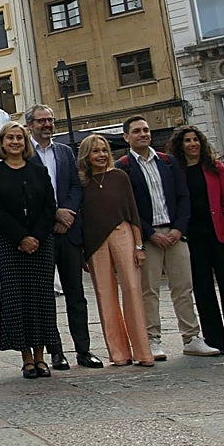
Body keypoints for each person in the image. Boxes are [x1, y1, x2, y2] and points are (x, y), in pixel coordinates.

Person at [116, 115, 221, 359]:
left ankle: (192, 337)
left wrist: (178, 229)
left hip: (174, 233)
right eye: (137, 131)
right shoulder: (124, 167)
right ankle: (152, 339)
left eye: (146, 130)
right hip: (148, 236)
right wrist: (150, 234)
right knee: (148, 290)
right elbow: (127, 206)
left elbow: (183, 197)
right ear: (127, 137)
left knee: (183, 287)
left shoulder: (168, 162)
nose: (143, 134)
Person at [26, 104, 102, 370]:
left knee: (76, 294)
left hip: (69, 232)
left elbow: (74, 186)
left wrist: (66, 214)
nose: (47, 125)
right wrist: (54, 215)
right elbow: (29, 195)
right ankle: (56, 351)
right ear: (30, 125)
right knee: (45, 296)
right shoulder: (24, 155)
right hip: (42, 234)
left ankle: (84, 349)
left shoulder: (65, 152)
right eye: (41, 121)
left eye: (50, 120)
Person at [166, 125, 224, 355]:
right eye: (187, 141)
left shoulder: (215, 167)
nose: (193, 144)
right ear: (180, 146)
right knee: (203, 289)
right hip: (193, 238)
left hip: (219, 234)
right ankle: (214, 340)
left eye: (196, 139)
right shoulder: (177, 171)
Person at [0, 122, 59, 379]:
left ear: (25, 143)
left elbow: (50, 207)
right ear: (2, 143)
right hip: (9, 243)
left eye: (19, 138)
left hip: (41, 242)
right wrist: (21, 237)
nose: (15, 142)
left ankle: (41, 357)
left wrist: (35, 236)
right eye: (10, 138)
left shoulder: (40, 171)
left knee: (41, 297)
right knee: (18, 297)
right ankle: (26, 357)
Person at [77, 134, 153, 366]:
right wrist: (82, 252)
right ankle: (118, 353)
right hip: (94, 241)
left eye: (103, 150)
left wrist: (139, 246)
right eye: (95, 151)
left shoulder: (120, 176)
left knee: (132, 289)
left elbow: (133, 212)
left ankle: (143, 352)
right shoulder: (81, 183)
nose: (101, 155)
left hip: (123, 233)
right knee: (104, 294)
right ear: (86, 156)